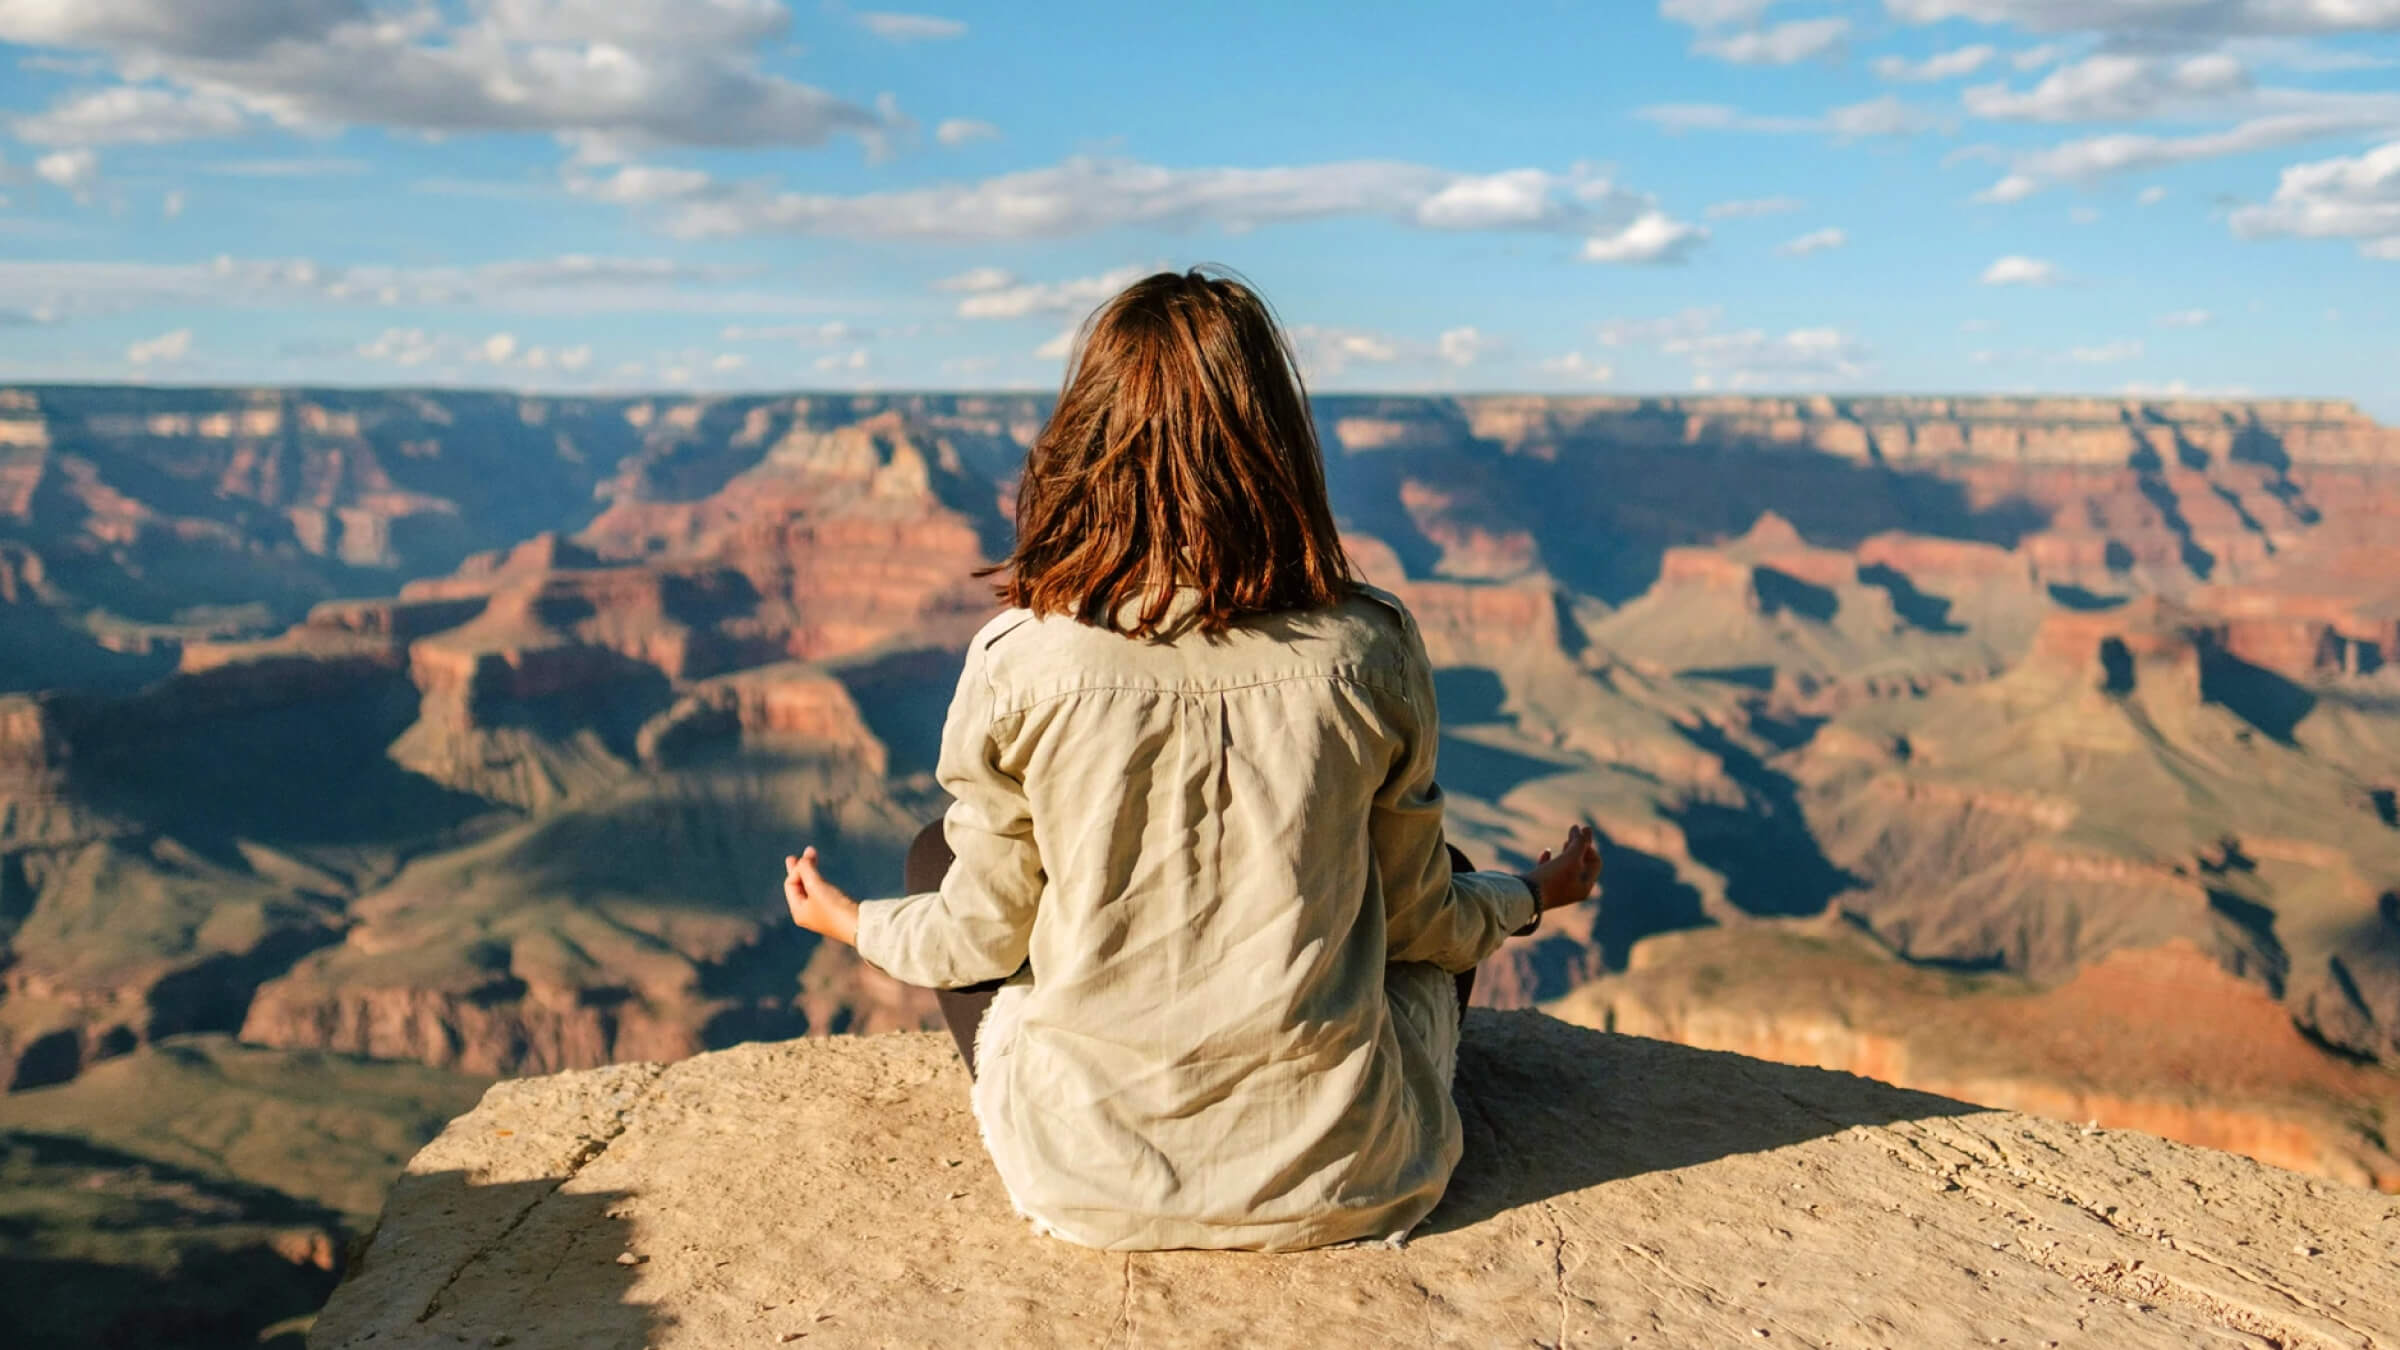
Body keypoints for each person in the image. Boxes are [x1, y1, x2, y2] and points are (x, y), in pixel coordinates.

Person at [778, 266, 1601, 1253]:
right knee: (1453, 870)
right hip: (1350, 1180)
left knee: (933, 861)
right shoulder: (1368, 646)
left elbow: (979, 941)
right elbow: (1423, 920)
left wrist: (850, 922)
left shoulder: (1020, 657)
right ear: (1276, 443)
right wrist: (1529, 893)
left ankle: (1102, 1127)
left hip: (1084, 1185)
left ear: (1087, 441)